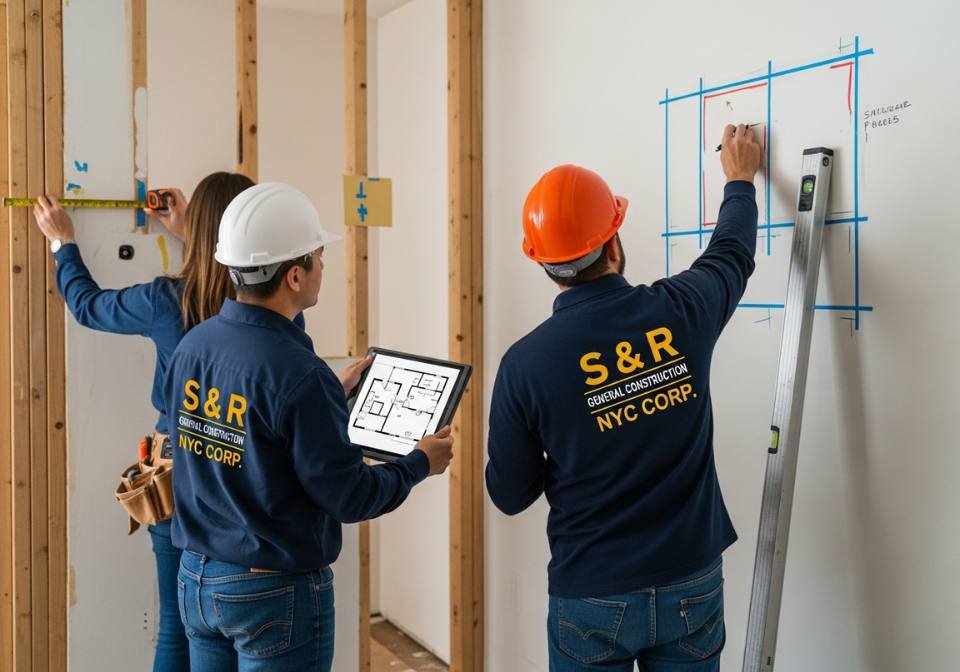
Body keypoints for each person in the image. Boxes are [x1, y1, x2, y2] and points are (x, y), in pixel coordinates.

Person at [485, 124, 762, 671]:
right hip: (690, 580)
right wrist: (740, 180)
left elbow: (510, 494)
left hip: (591, 594)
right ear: (612, 241)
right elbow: (731, 254)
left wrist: (565, 434)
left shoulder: (525, 364)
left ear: (543, 263)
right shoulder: (681, 310)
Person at [163, 182, 454, 671]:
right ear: (295, 276)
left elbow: (240, 431)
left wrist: (324, 399)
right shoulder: (299, 376)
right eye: (319, 257)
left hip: (197, 579)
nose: (325, 267)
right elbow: (350, 496)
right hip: (270, 593)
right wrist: (419, 463)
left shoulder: (195, 345)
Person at [33, 171, 259, 672]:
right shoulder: (271, 308)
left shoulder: (166, 301)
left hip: (175, 482)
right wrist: (191, 236)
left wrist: (63, 244)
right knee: (234, 620)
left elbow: (89, 307)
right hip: (244, 480)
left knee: (179, 630)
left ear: (201, 230)